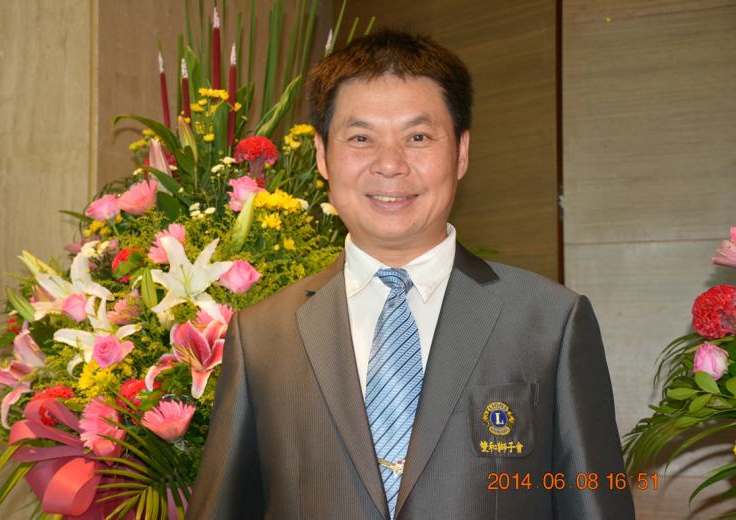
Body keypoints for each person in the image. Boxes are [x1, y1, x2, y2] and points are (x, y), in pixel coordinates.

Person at [187, 29, 635, 519]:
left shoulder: (550, 322)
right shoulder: (261, 335)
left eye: (418, 137)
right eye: (361, 138)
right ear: (321, 155)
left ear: (461, 152)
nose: (390, 165)